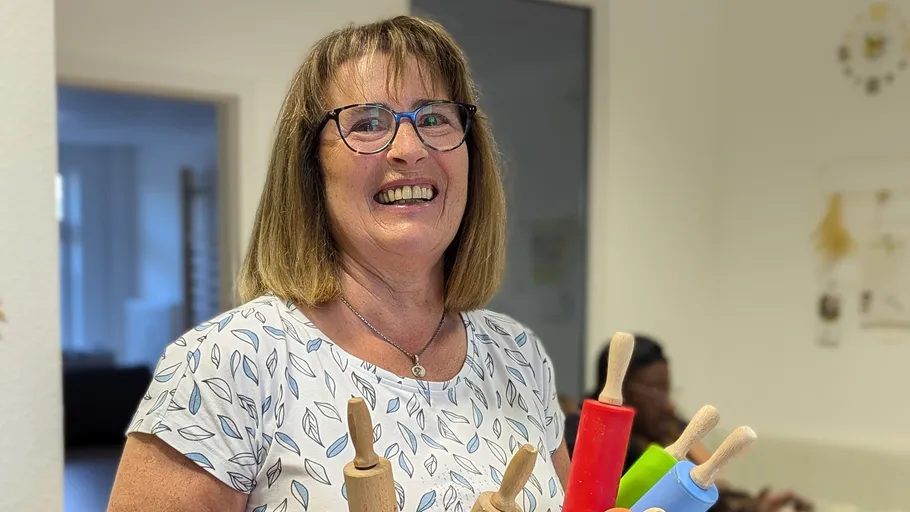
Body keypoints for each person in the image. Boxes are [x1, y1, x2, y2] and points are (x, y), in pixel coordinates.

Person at [106, 16, 570, 512]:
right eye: (368, 123)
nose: (409, 150)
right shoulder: (226, 364)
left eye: (434, 118)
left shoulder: (519, 358)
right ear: (311, 169)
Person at [564, 335, 813, 512]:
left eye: (668, 390)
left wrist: (754, 504)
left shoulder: (668, 426)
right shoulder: (588, 437)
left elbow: (707, 481)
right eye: (656, 391)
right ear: (627, 388)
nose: (668, 403)